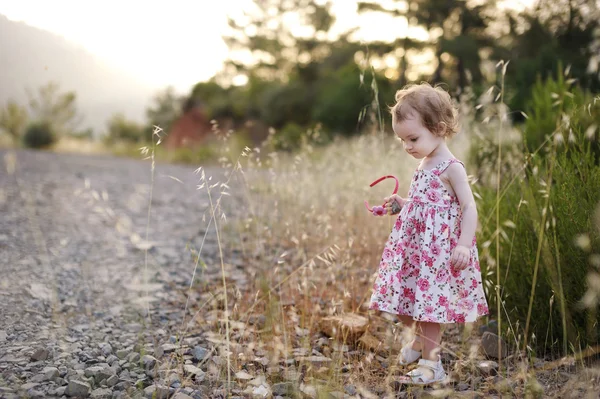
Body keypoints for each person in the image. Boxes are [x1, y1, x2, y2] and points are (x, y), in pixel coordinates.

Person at [369, 82, 489, 385]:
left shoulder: (452, 168)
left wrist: (463, 245)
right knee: (405, 301)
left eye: (412, 138)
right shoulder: (423, 163)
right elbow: (427, 205)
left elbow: (468, 208)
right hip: (416, 250)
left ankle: (432, 365)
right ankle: (420, 342)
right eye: (402, 140)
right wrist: (403, 203)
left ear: (439, 127)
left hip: (439, 254)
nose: (407, 145)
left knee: (430, 309)